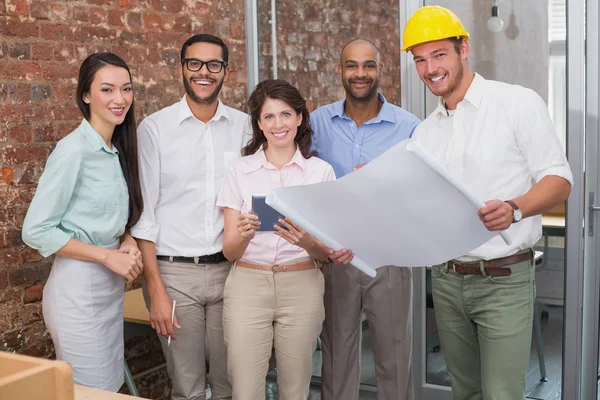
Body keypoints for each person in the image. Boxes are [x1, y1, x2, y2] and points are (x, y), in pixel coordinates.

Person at [403, 6, 573, 400]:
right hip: (446, 278)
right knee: (464, 391)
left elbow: (559, 180)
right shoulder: (425, 133)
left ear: (464, 48)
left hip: (504, 280)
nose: (430, 69)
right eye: (420, 60)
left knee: (501, 394)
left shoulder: (516, 103)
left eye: (438, 55)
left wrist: (515, 207)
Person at [130, 34, 251, 400]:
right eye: (194, 63)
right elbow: (145, 216)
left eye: (214, 65)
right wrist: (155, 290)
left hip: (231, 272)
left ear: (226, 72)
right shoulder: (155, 129)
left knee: (232, 382)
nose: (204, 72)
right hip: (174, 273)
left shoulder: (245, 126)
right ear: (182, 68)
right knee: (187, 387)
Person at [22, 52, 144, 391]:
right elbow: (36, 230)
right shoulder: (73, 150)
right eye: (107, 89)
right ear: (86, 95)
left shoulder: (117, 148)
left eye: (126, 89)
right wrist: (107, 256)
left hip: (108, 289)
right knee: (91, 391)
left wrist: (128, 241)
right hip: (77, 291)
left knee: (107, 387)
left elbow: (116, 218)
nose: (119, 99)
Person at [310, 38, 420, 400]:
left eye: (368, 65)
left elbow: (422, 192)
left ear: (380, 70)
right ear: (340, 70)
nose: (360, 73)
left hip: (388, 256)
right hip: (334, 256)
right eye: (352, 65)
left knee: (393, 358)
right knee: (337, 358)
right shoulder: (316, 123)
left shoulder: (410, 128)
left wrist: (381, 180)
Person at [216, 79, 335, 400]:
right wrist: (243, 234)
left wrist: (306, 242)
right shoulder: (239, 171)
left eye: (285, 115)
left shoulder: (321, 173)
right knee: (244, 388)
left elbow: (326, 254)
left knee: (295, 388)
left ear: (299, 118)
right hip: (247, 285)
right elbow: (229, 252)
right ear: (258, 123)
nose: (278, 124)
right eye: (268, 117)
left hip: (302, 284)